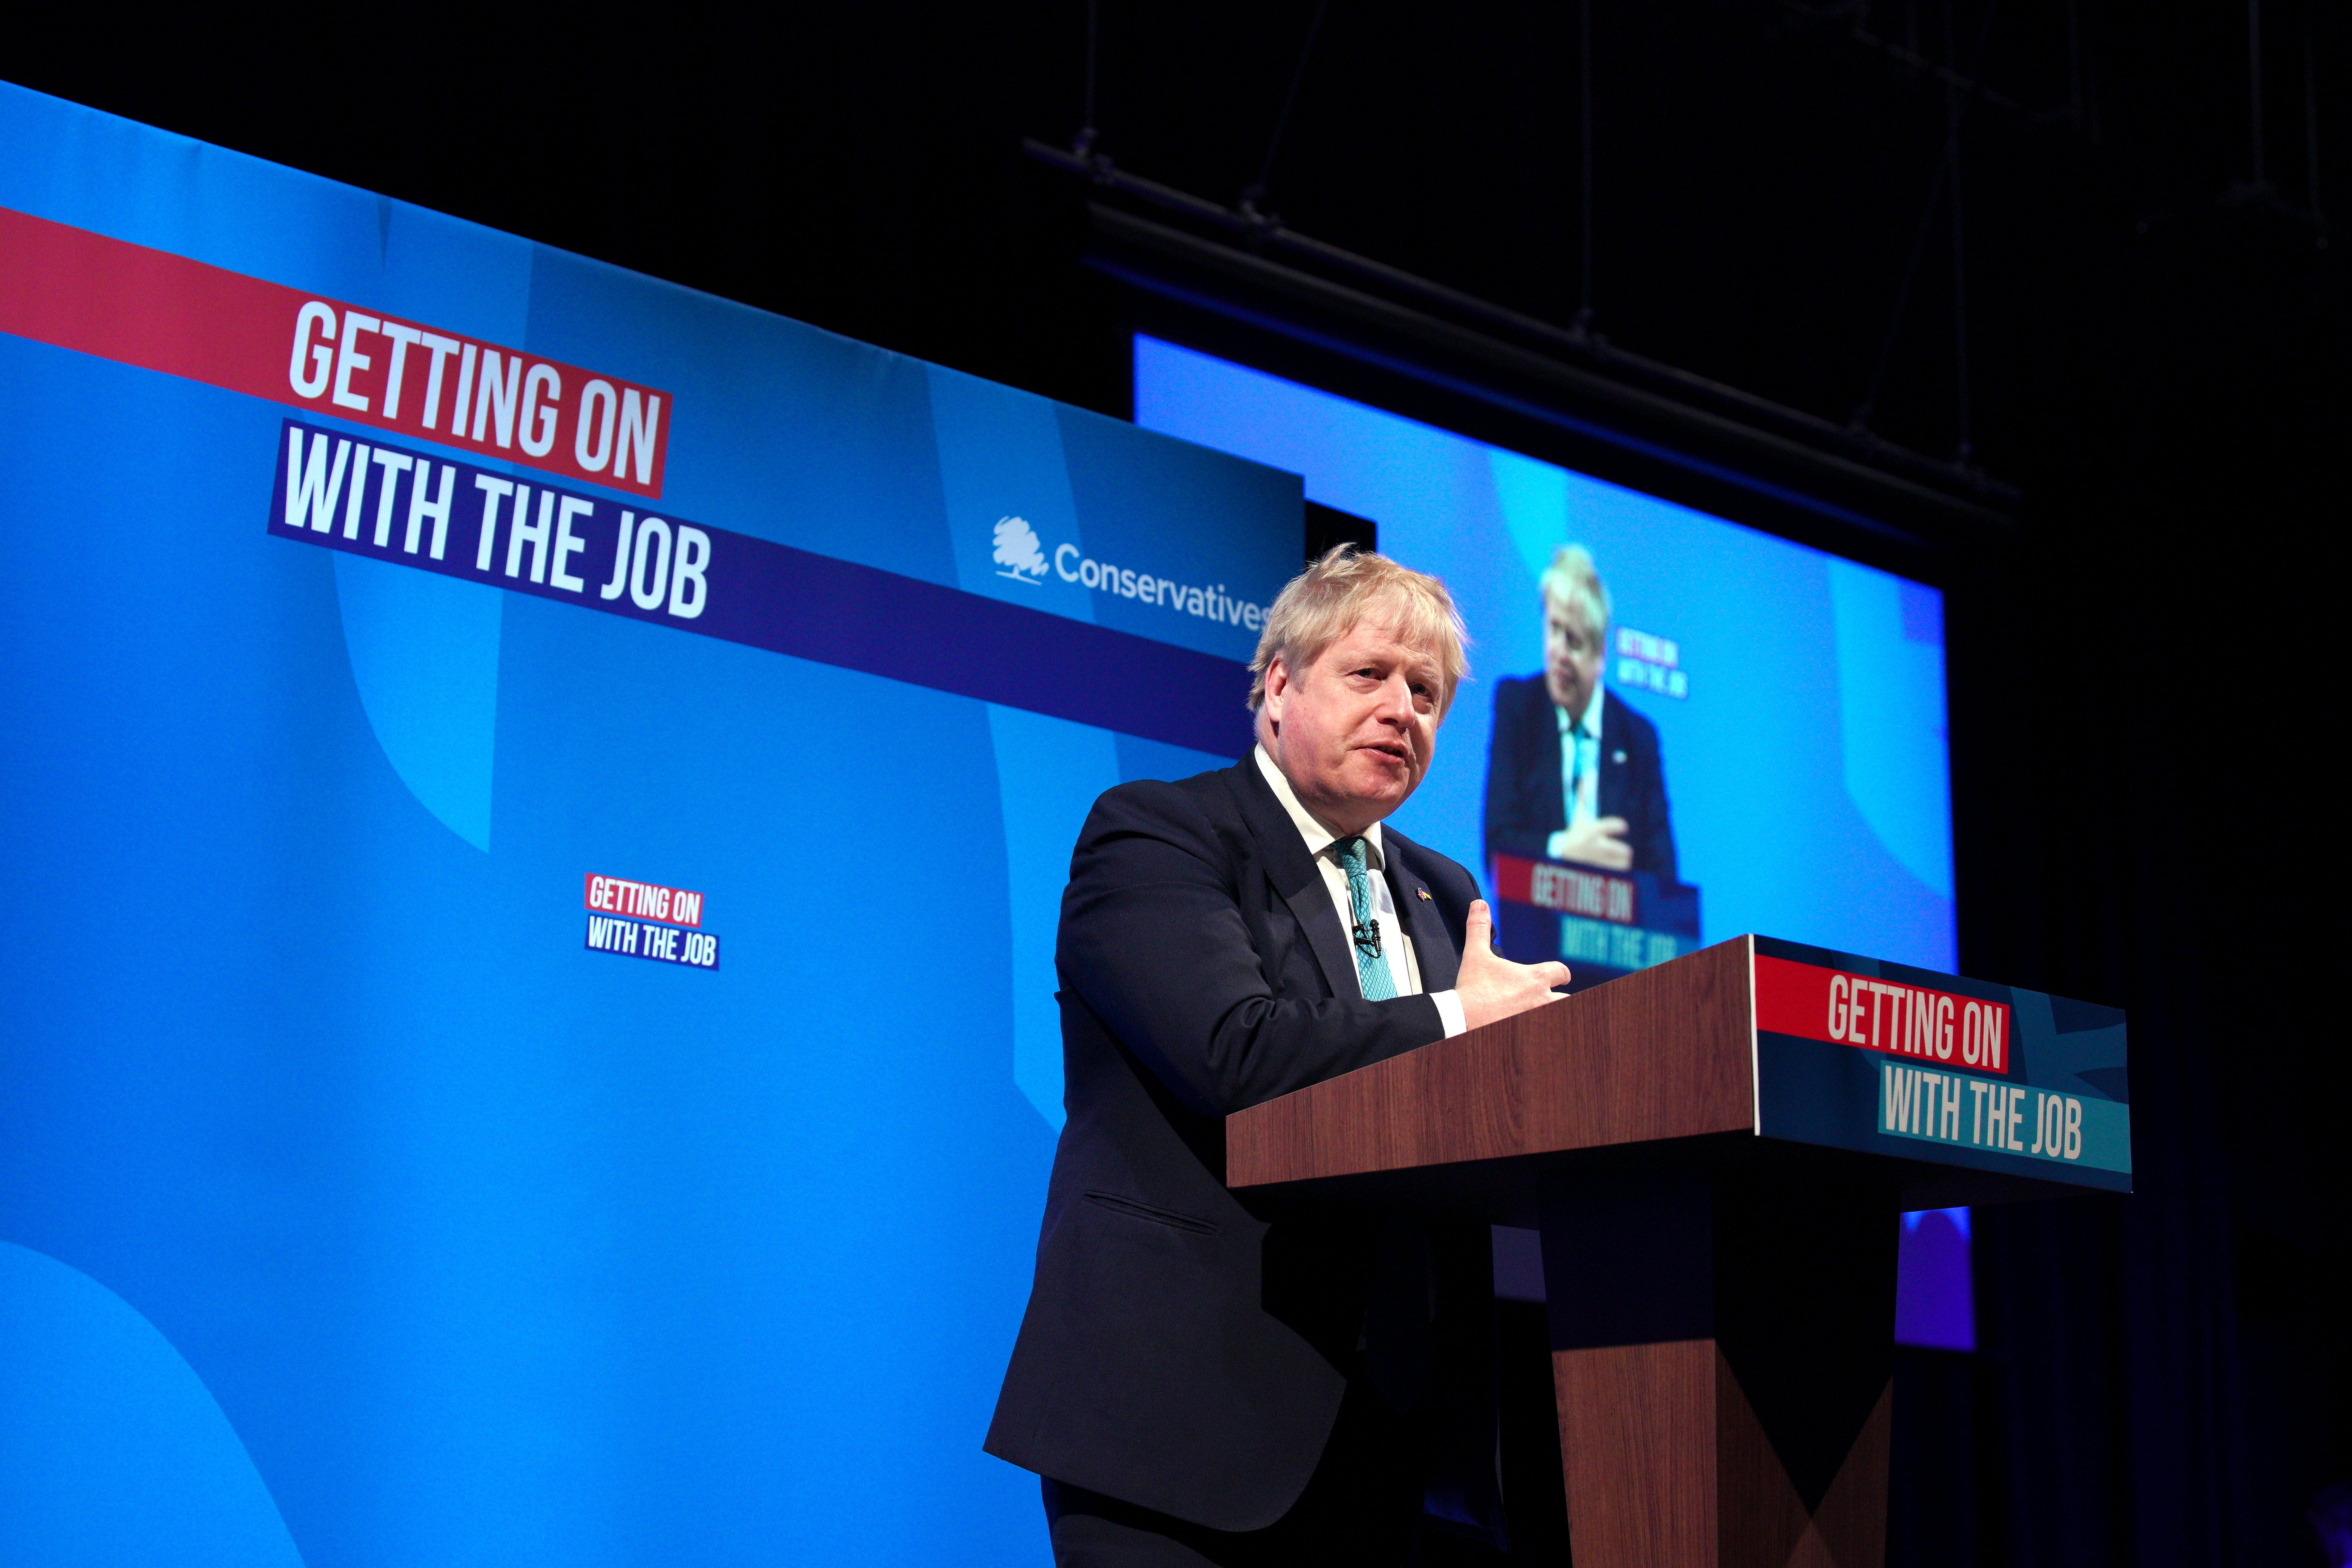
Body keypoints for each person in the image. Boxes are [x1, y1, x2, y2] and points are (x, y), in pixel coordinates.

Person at [985, 548, 1573, 1566]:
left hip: (1393, 1440)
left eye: (1427, 693)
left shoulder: (1440, 889)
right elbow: (1234, 1056)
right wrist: (1457, 1020)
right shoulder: (1162, 835)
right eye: (1370, 676)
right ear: (1277, 687)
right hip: (1180, 1423)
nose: (1403, 710)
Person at [1483, 545, 1677, 879]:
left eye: (1573, 641)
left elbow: (1664, 876)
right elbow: (1497, 846)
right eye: (1554, 629)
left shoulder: (1638, 737)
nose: (1559, 651)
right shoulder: (1518, 707)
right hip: (1533, 924)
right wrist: (1563, 848)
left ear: (1600, 655)